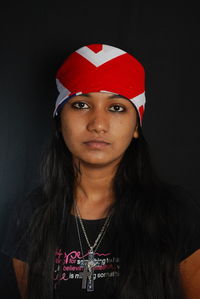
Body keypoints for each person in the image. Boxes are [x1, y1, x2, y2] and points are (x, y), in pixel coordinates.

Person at [2, 43, 200, 299]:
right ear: (59, 121)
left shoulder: (176, 212)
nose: (98, 124)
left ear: (137, 126)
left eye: (116, 107)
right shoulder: (29, 215)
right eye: (81, 105)